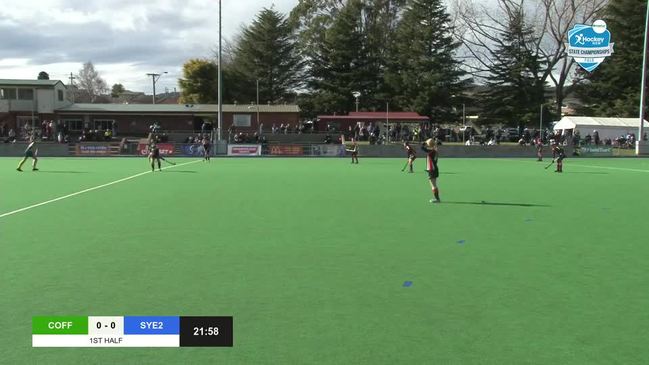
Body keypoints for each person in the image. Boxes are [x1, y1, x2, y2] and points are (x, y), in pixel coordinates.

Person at [421, 138, 440, 203]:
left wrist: (424, 143)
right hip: (434, 169)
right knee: (434, 184)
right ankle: (437, 198)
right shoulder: (434, 150)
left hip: (432, 170)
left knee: (433, 185)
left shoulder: (431, 151)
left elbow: (422, 148)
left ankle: (437, 199)